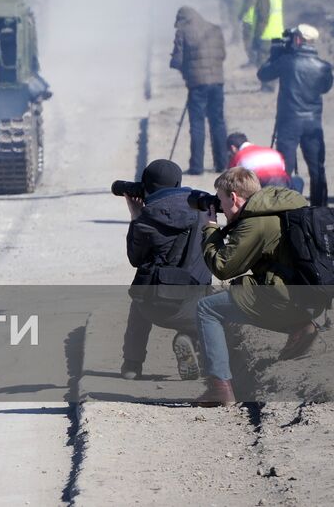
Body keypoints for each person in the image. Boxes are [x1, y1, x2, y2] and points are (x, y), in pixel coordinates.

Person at [192, 167, 321, 406]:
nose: (219, 207)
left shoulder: (256, 223)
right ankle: (300, 325)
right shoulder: (280, 208)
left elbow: (222, 267)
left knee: (207, 309)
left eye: (220, 200)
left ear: (233, 197)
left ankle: (219, 387)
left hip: (284, 295)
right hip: (306, 294)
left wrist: (209, 227)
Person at [119, 159, 212, 381]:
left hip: (153, 307)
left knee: (138, 301)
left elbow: (135, 259)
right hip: (194, 310)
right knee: (207, 292)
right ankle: (191, 339)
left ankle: (132, 364)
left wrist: (136, 216)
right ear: (178, 183)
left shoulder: (145, 220)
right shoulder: (203, 212)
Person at [257, 24, 332, 207]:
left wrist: (275, 55)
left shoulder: (287, 61)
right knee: (317, 169)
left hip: (289, 122)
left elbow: (263, 74)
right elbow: (324, 88)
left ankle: (286, 206)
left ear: (298, 39)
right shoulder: (323, 67)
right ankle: (319, 208)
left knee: (285, 169)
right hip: (313, 122)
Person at [170, 6, 227, 174]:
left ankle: (196, 166)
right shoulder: (214, 29)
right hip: (217, 82)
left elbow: (177, 61)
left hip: (197, 85)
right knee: (218, 122)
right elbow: (222, 55)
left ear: (182, 19)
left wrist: (185, 71)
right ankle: (222, 163)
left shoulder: (183, 31)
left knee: (197, 124)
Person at [225, 131, 289, 187]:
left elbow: (230, 180)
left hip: (261, 186)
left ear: (233, 148)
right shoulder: (272, 152)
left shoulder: (238, 156)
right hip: (283, 184)